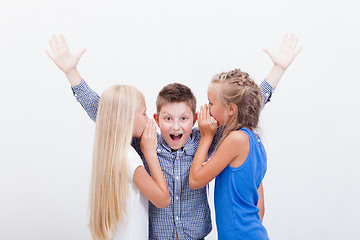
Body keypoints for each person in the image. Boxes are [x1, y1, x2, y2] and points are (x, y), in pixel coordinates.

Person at [46, 34, 300, 240]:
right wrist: (72, 75)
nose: (175, 126)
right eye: (168, 118)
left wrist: (277, 71)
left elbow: (244, 108)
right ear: (156, 120)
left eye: (183, 118)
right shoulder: (146, 142)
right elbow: (109, 117)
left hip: (195, 235)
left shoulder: (207, 139)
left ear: (195, 118)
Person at [47, 37, 170, 240]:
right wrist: (150, 152)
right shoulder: (130, 157)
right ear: (127, 120)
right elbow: (163, 199)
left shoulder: (113, 149)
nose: (149, 120)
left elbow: (101, 109)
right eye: (144, 113)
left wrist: (71, 72)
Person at [188, 69, 288, 239]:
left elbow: (195, 180)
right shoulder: (254, 141)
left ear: (231, 109)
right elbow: (260, 208)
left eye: (211, 103)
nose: (207, 109)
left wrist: (206, 136)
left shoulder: (236, 140)